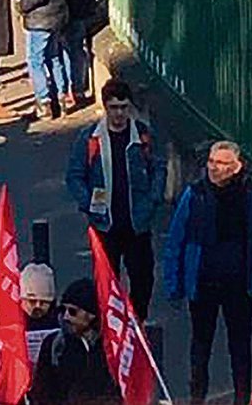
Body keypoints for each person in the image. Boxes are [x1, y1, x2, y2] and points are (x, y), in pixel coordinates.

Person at [163, 141, 252, 405]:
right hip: (203, 284)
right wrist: (174, 285)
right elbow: (175, 241)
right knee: (200, 346)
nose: (215, 168)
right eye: (212, 162)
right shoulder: (195, 194)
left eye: (222, 164)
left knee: (240, 348)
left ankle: (242, 398)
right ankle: (197, 398)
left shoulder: (249, 195)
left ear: (237, 167)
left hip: (238, 286)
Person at [66, 78, 164, 322]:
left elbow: (158, 168)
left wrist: (152, 200)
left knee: (143, 278)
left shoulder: (143, 136)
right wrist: (88, 203)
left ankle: (136, 323)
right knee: (105, 281)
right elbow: (75, 175)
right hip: (105, 223)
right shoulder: (90, 138)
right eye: (114, 107)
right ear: (106, 107)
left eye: (123, 107)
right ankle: (109, 326)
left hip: (137, 223)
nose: (119, 113)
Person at [26, 278, 121, 405]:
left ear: (91, 315)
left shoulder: (111, 348)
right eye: (63, 310)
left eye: (72, 311)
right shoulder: (54, 345)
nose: (66, 317)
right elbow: (40, 392)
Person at [19, 0, 70, 119]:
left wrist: (23, 6)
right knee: (54, 57)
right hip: (58, 14)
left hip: (40, 17)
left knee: (35, 59)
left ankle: (44, 102)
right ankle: (62, 97)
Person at [20, 263, 59, 366]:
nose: (38, 306)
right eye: (32, 301)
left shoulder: (60, 321)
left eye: (44, 302)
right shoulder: (10, 323)